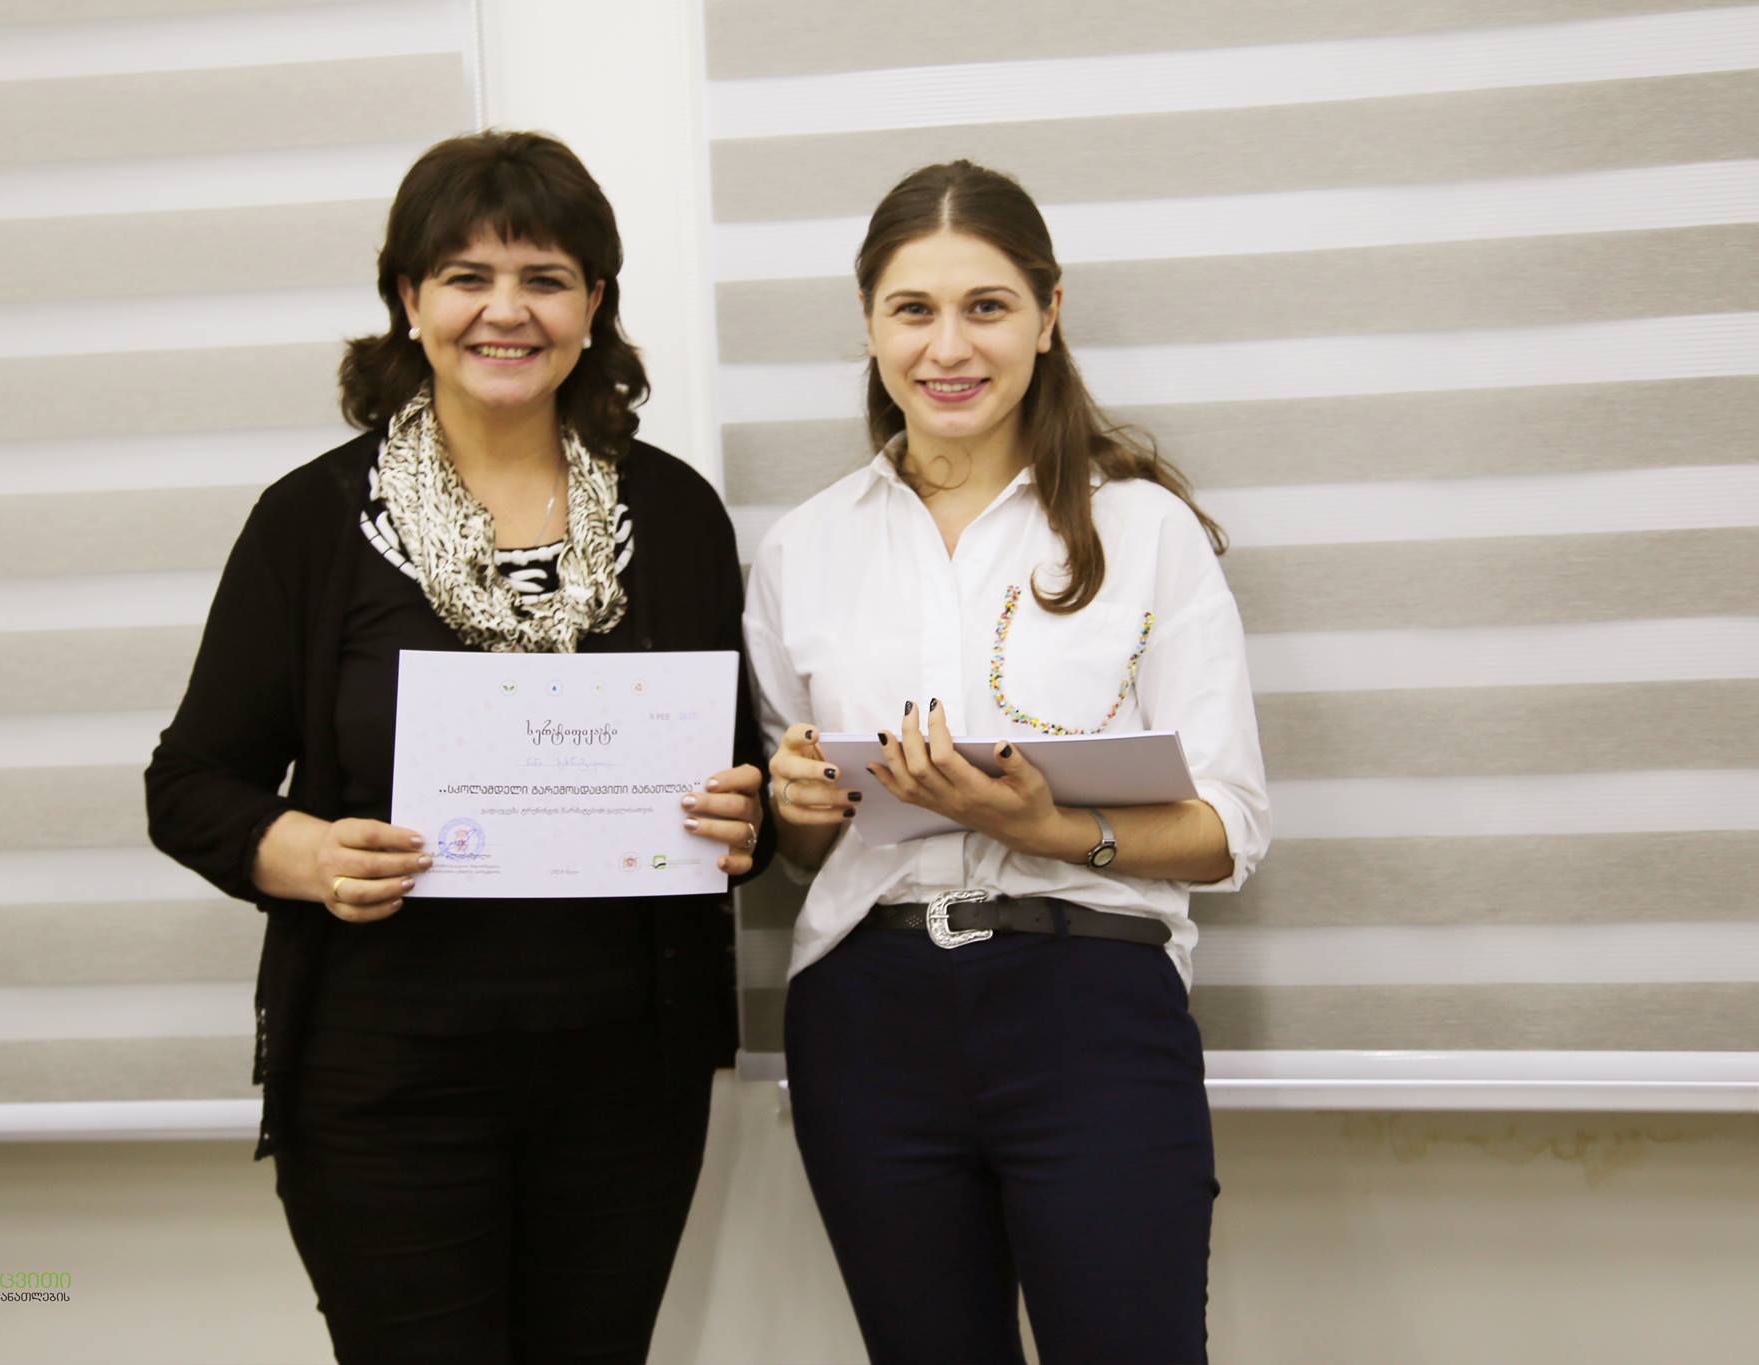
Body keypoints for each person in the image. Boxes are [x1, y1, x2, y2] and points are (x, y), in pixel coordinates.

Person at [145, 130, 770, 1365]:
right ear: (407, 299)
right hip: (386, 1080)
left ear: (593, 304)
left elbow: (733, 774)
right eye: (465, 277)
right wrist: (304, 854)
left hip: (626, 1082)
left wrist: (741, 816)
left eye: (544, 278)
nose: (506, 311)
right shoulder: (315, 522)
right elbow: (191, 784)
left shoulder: (674, 515)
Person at [744, 160, 1271, 1364]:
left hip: (1089, 1001)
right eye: (911, 310)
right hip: (865, 1017)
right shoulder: (800, 551)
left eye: (984, 306)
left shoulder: (1143, 531)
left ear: (1047, 314)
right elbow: (805, 846)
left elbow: (1226, 830)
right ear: (868, 323)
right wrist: (799, 801)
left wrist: (1048, 829)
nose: (947, 347)